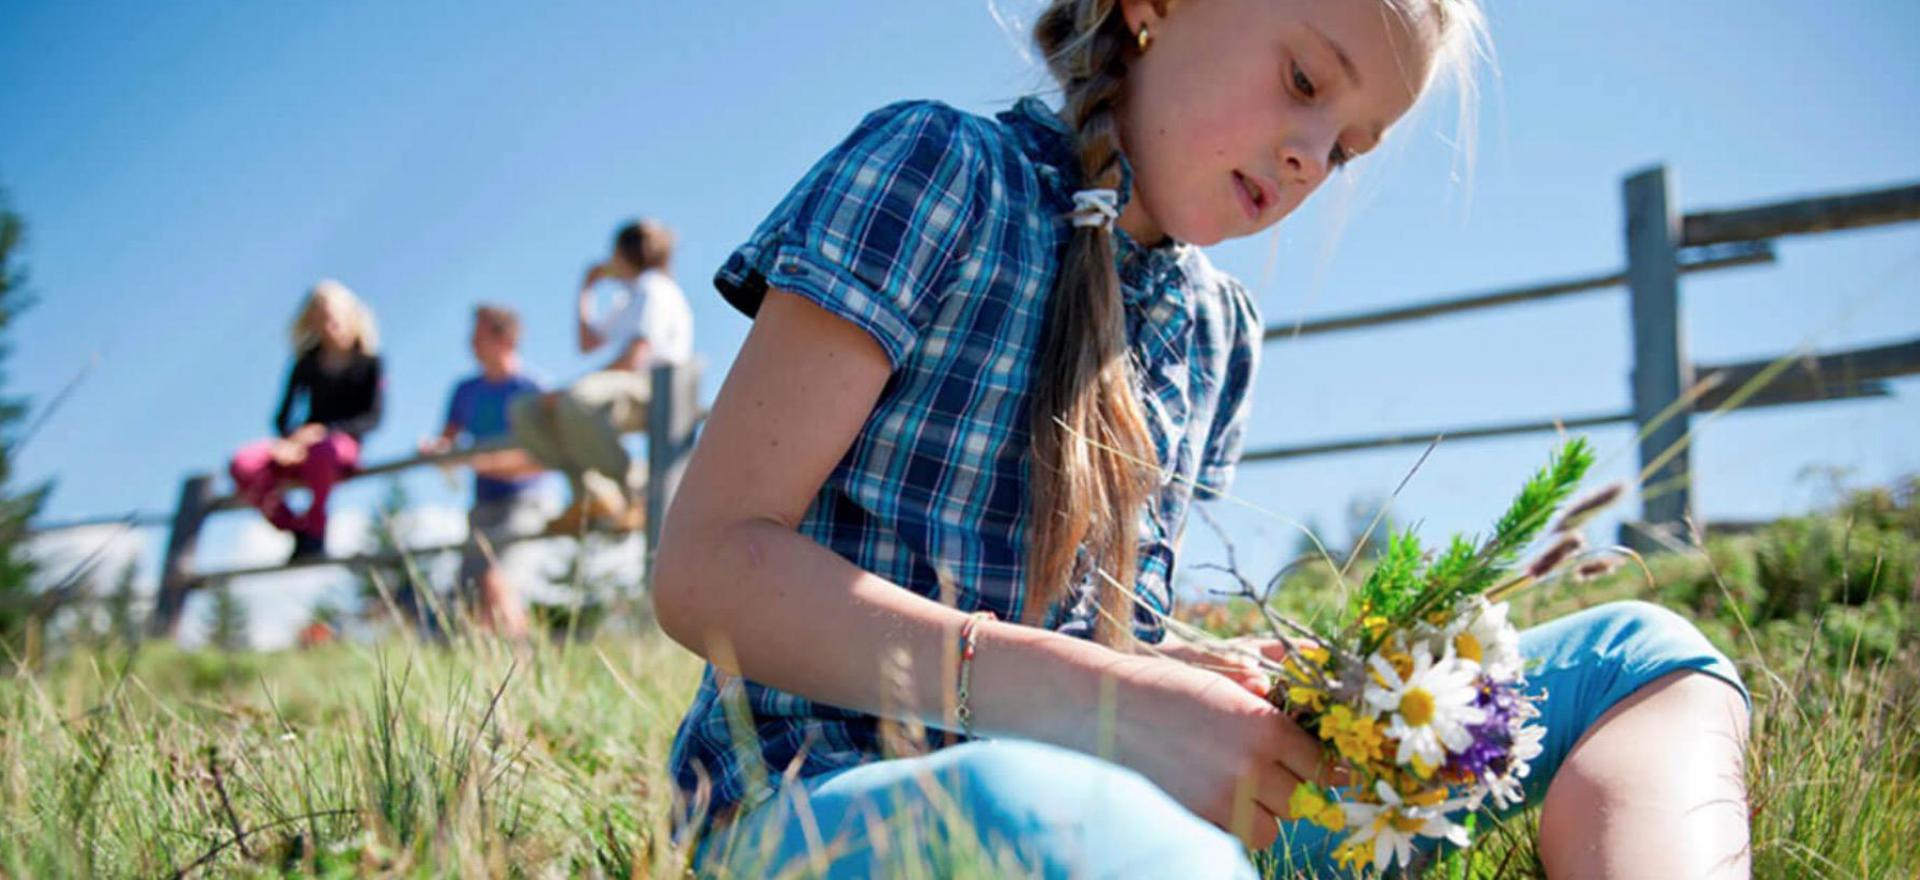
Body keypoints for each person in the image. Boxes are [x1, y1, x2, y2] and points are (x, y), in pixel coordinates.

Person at [653, 1, 1752, 877]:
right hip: (820, 808)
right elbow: (706, 570)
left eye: (1347, 147)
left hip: (1118, 812)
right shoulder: (938, 172)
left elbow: (1105, 641)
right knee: (1037, 806)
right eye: (1305, 81)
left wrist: (1210, 688)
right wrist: (1105, 702)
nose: (1311, 157)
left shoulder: (1217, 329)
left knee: (1640, 658)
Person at [510, 218, 694, 535]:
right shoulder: (629, 297)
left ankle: (636, 486)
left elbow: (635, 357)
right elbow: (587, 343)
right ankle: (593, 495)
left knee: (576, 400)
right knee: (526, 411)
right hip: (624, 384)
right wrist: (586, 289)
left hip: (655, 387)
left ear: (625, 253)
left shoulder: (654, 288)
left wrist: (571, 390)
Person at [229, 280, 384, 563]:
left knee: (323, 450)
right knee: (244, 463)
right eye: (321, 319)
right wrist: (290, 441)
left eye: (334, 318)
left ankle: (316, 527)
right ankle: (294, 527)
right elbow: (283, 416)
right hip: (301, 444)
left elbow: (372, 418)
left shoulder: (369, 363)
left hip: (338, 446)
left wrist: (325, 432)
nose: (329, 326)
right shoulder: (305, 363)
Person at [420, 304, 547, 639]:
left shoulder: (531, 390)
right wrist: (437, 451)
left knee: (498, 582)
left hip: (523, 503)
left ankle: (522, 658)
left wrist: (482, 462)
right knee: (473, 594)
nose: (471, 342)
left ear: (505, 338)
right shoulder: (465, 391)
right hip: (482, 505)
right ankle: (493, 662)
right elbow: (447, 439)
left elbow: (541, 458)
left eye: (480, 335)